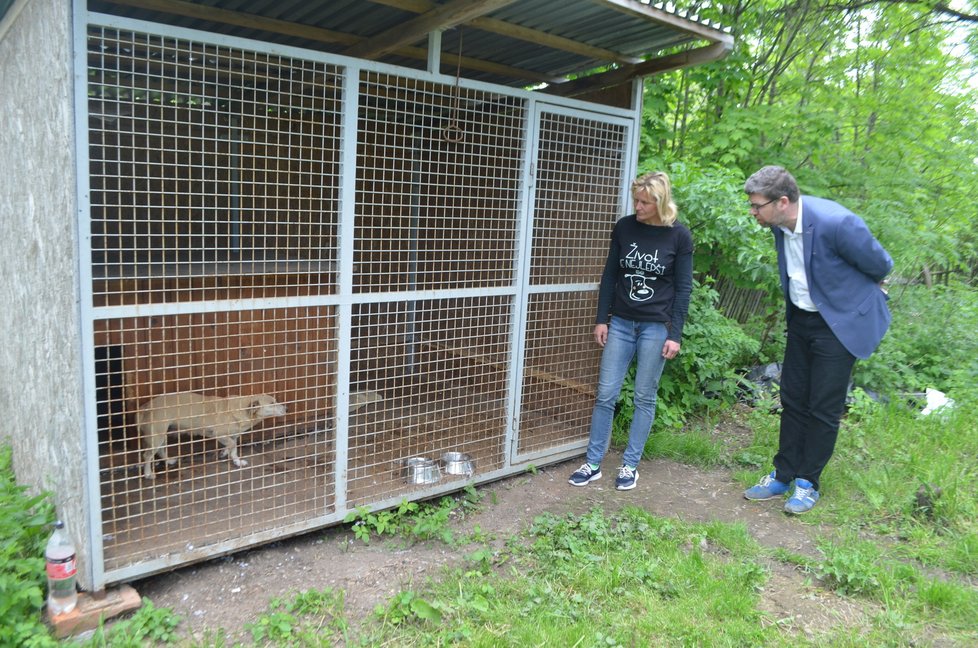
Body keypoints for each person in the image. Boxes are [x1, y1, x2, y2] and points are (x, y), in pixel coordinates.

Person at [742, 165, 893, 514]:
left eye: (756, 206)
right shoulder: (779, 224)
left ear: (782, 202)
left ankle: (808, 483)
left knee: (823, 406)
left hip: (838, 326)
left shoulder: (836, 223)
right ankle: (782, 475)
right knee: (792, 398)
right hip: (802, 321)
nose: (753, 212)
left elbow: (881, 265)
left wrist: (854, 298)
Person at [569, 171, 693, 490]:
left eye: (644, 202)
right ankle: (593, 462)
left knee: (643, 396)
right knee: (606, 392)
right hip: (621, 322)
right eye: (635, 200)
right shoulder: (624, 227)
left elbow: (682, 289)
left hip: (656, 327)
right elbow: (610, 275)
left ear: (660, 202)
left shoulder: (679, 236)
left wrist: (675, 334)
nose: (637, 206)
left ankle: (629, 465)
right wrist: (602, 318)